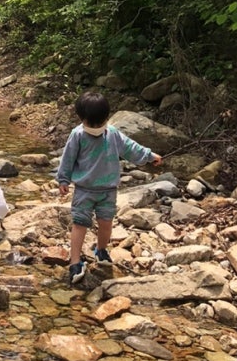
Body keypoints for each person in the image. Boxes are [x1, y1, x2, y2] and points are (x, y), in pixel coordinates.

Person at [57, 91, 162, 285]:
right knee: (80, 224)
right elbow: (68, 158)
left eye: (100, 124)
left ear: (106, 119)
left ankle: (101, 249)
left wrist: (149, 155)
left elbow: (130, 148)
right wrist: (63, 179)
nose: (96, 128)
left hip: (108, 191)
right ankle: (75, 262)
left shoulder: (112, 133)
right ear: (82, 120)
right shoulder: (77, 135)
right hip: (84, 190)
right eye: (91, 124)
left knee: (106, 223)